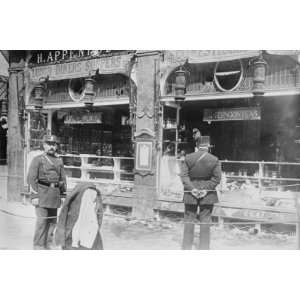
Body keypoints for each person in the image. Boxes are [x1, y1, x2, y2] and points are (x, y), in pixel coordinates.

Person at [180, 130, 221, 250]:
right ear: (208, 146)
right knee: (205, 221)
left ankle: (186, 248)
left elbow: (184, 176)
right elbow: (217, 178)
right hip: (208, 195)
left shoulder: (188, 158)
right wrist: (205, 190)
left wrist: (192, 189)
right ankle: (204, 248)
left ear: (197, 146)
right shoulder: (214, 159)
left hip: (190, 193)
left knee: (189, 220)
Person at [27, 134, 67, 250]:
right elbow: (31, 178)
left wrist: (63, 195)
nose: (51, 147)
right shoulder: (38, 160)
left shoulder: (59, 160)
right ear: (44, 145)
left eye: (54, 144)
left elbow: (62, 179)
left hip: (54, 195)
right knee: (41, 222)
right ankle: (38, 246)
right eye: (49, 144)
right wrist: (34, 196)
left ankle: (48, 244)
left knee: (52, 222)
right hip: (42, 194)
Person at [55, 182, 104, 250]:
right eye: (88, 198)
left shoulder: (94, 226)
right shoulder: (69, 228)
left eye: (93, 199)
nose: (93, 202)